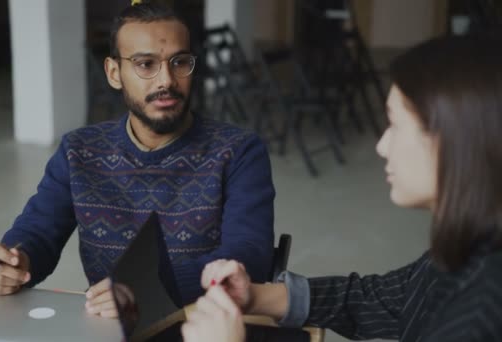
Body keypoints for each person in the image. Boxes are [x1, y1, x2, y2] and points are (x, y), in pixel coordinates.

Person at [182, 34, 502, 342]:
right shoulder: (467, 247)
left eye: (396, 125)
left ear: (457, 143)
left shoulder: (479, 316)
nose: (381, 146)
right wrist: (257, 296)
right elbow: (382, 300)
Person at [0, 1, 275, 318]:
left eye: (179, 62)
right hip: (111, 327)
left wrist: (144, 290)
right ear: (114, 72)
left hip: (209, 326)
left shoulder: (239, 151)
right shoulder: (79, 151)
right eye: (146, 64)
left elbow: (248, 258)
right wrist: (16, 260)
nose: (167, 81)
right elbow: (39, 231)